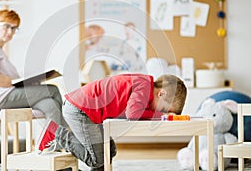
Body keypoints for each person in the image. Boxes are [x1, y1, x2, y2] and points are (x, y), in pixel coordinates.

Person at [38, 73, 187, 170]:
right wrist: (160, 116)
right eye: (164, 109)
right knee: (97, 159)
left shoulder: (145, 90)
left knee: (109, 151)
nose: (161, 113)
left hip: (92, 114)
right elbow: (133, 114)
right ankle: (59, 134)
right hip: (80, 110)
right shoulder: (144, 86)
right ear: (161, 94)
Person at [0, 9, 67, 127]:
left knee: (50, 104)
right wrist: (20, 83)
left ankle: (50, 144)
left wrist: (27, 82)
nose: (10, 32)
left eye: (14, 28)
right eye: (6, 26)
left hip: (8, 95)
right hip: (1, 98)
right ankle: (68, 138)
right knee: (52, 90)